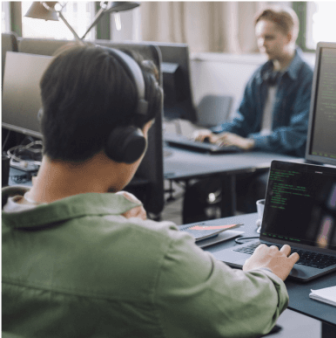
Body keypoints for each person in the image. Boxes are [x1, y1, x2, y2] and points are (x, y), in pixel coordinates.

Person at [1, 44, 299, 337]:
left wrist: (106, 219)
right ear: (128, 143)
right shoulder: (157, 258)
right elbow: (246, 308)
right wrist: (267, 272)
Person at [183, 6, 314, 222]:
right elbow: (241, 120)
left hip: (288, 159)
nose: (262, 43)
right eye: (260, 37)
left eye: (269, 37)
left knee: (261, 188)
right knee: (197, 190)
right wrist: (214, 133)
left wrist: (251, 142)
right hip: (254, 155)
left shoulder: (308, 78)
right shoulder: (260, 75)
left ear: (289, 36)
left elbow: (297, 134)